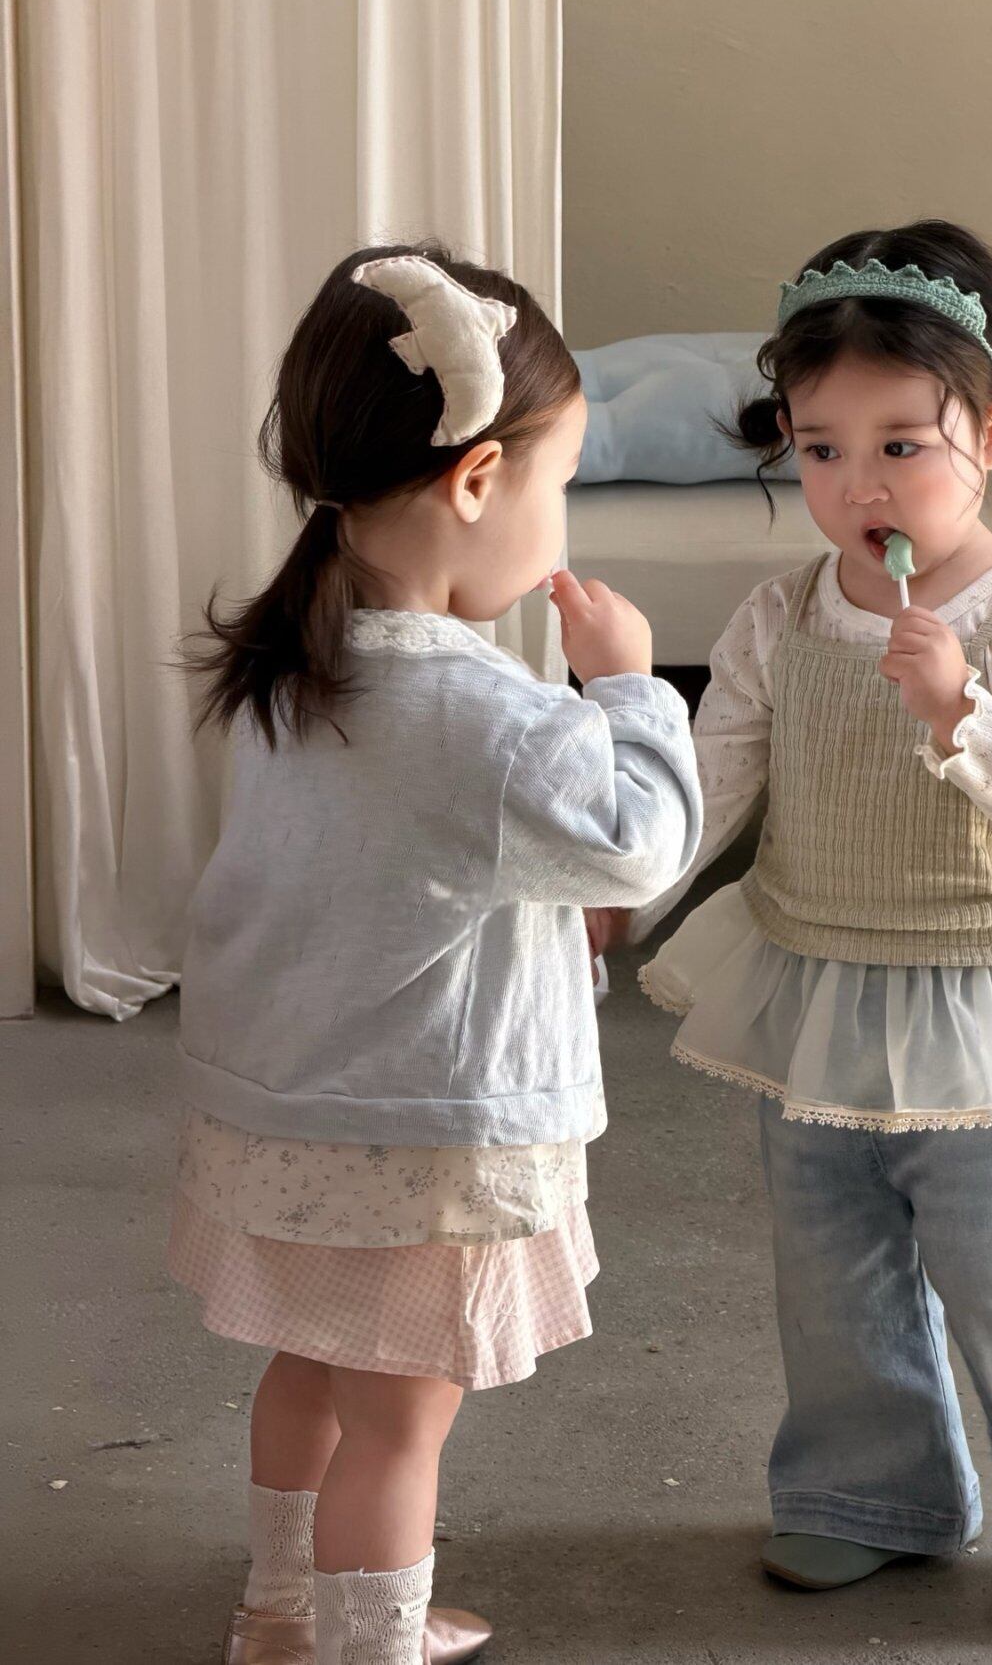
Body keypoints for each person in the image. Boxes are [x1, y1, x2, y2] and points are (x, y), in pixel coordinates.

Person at [626, 220, 992, 1619]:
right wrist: (615, 895)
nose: (857, 483)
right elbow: (708, 786)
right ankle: (870, 1496)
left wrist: (962, 712)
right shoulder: (780, 617)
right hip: (818, 986)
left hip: (988, 997)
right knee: (833, 1263)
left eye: (900, 445)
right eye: (820, 448)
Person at [169, 243, 701, 1664]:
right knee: (401, 1424)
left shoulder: (295, 657)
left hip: (286, 1118)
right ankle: (370, 1645)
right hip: (421, 1147)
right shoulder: (487, 716)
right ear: (478, 480)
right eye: (561, 481)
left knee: (310, 1369)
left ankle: (279, 1614)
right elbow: (640, 846)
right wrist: (631, 690)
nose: (560, 516)